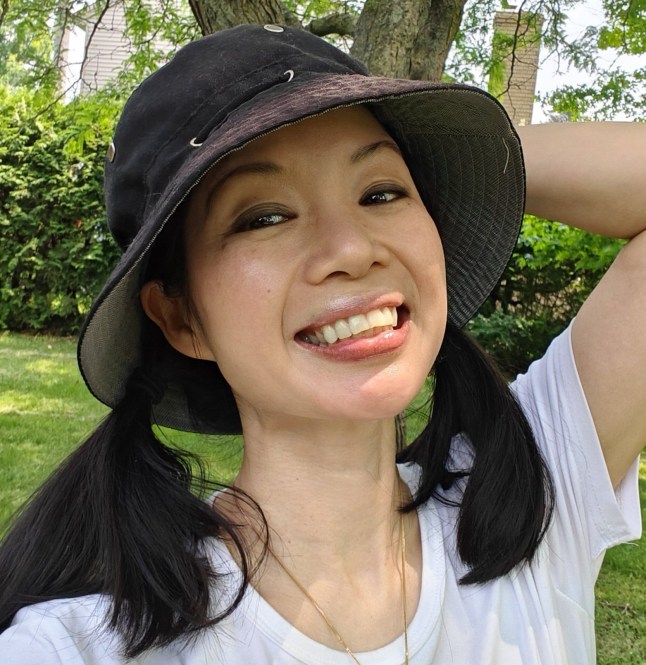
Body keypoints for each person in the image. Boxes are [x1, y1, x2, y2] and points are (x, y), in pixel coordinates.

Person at [0, 23, 643, 665]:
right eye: (265, 217)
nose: (353, 249)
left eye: (382, 192)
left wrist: (476, 153)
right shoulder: (78, 647)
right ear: (181, 318)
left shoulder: (532, 498)